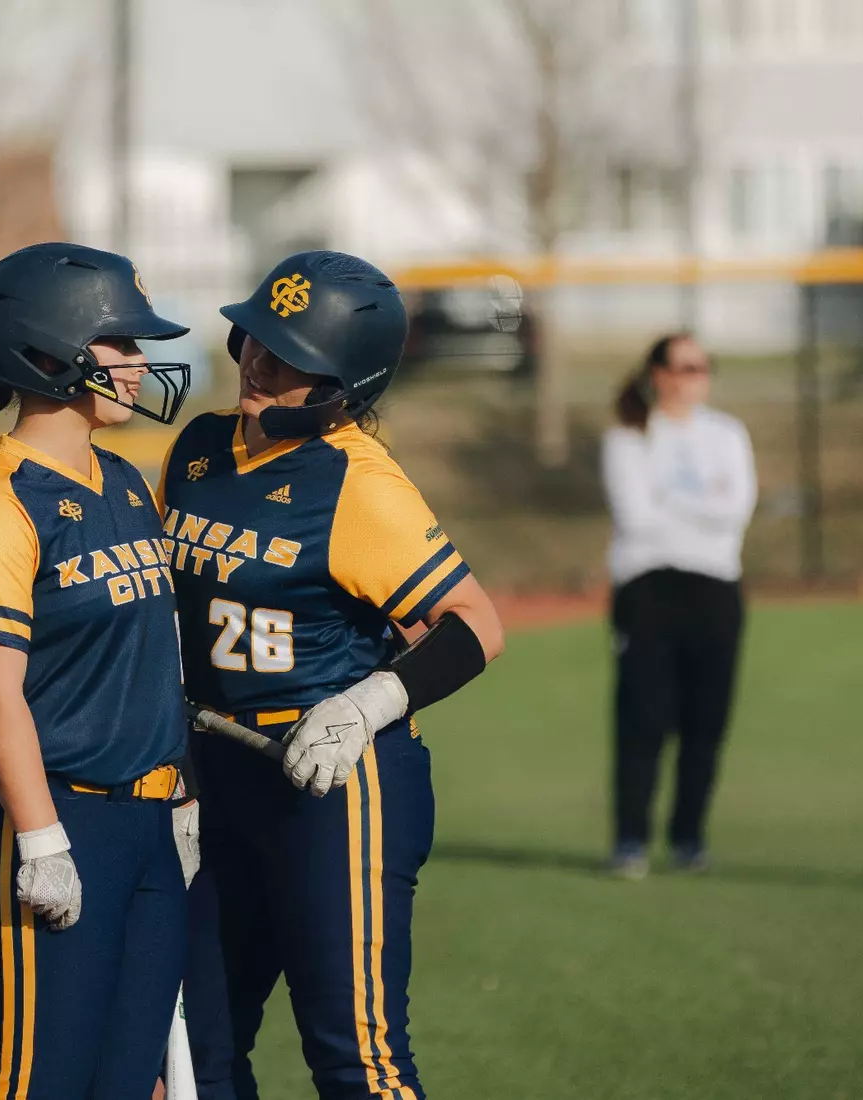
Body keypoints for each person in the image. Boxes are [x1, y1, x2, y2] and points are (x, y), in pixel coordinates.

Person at [162, 251, 505, 1100]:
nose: (257, 361)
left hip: (337, 784)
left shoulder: (358, 481)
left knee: (354, 1060)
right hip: (219, 775)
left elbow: (477, 626)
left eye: (289, 356)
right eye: (255, 339)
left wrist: (370, 701)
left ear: (343, 385)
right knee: (197, 1058)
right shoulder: (200, 446)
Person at [0, 242, 199, 1099]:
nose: (140, 365)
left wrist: (179, 792)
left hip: (148, 829)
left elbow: (155, 658)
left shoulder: (120, 478)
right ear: (49, 352)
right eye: (121, 344)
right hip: (57, 824)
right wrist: (42, 841)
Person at [602, 333, 757, 880]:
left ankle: (689, 838)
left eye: (703, 367)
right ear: (659, 374)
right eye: (686, 367)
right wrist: (702, 505)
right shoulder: (628, 435)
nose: (696, 376)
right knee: (644, 719)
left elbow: (736, 510)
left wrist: (670, 497)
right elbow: (636, 517)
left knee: (706, 721)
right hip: (649, 591)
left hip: (715, 589)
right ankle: (630, 842)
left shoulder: (728, 434)